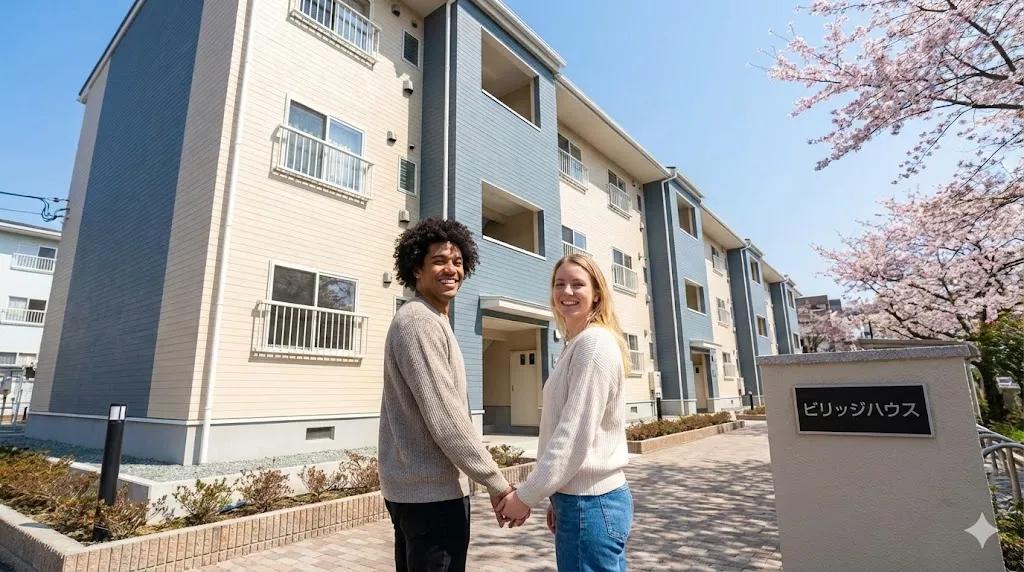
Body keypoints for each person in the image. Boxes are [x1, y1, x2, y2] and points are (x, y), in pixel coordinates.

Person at [378, 218, 517, 572]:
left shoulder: (432, 320)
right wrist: (497, 483)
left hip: (422, 494)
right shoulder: (419, 322)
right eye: (439, 261)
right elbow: (447, 420)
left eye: (457, 262)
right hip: (430, 499)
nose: (451, 269)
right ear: (416, 268)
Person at [497, 253, 633, 571]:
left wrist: (526, 496)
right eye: (560, 284)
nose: (567, 292)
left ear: (596, 293)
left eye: (577, 284)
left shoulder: (593, 345)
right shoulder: (577, 343)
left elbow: (572, 437)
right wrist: (557, 495)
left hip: (591, 504)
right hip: (582, 503)